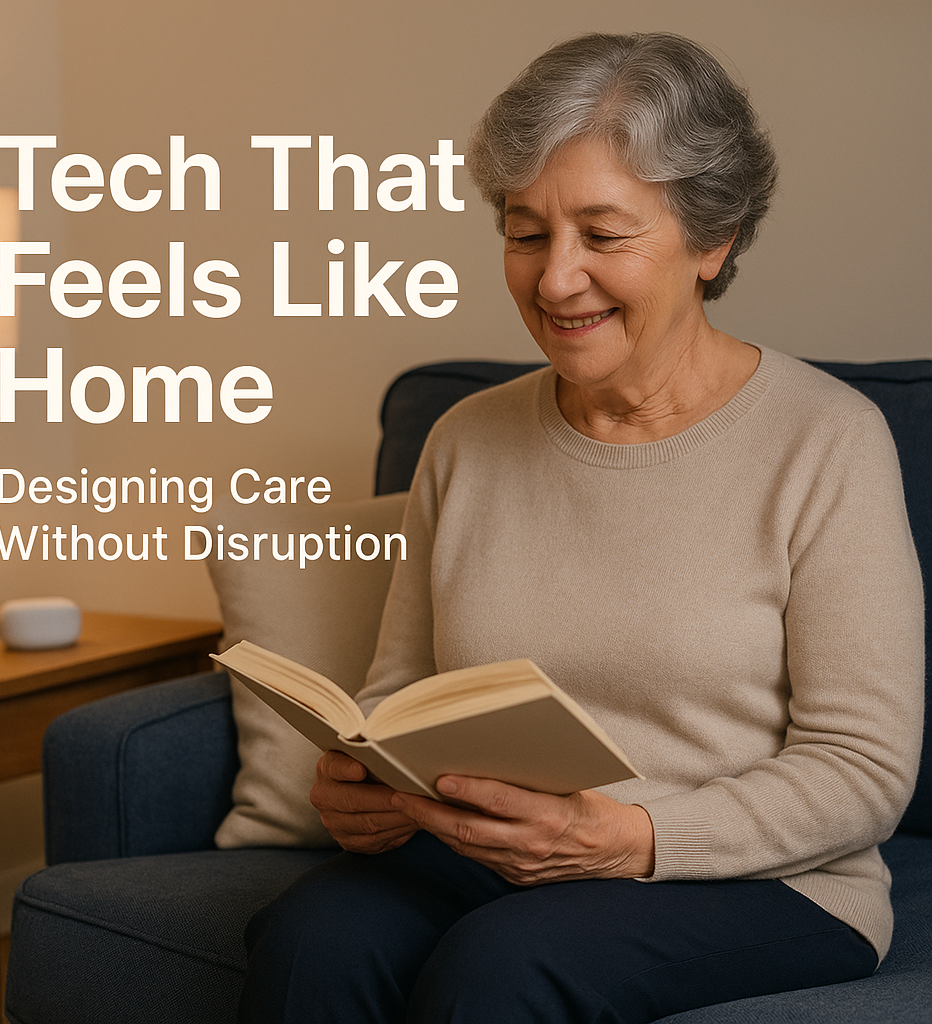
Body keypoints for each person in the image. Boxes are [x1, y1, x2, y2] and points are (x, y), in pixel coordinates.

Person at [237, 32, 924, 1023]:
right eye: (526, 234)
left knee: (506, 966)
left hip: (756, 877)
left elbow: (859, 771)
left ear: (710, 239)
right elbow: (399, 690)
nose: (555, 280)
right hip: (488, 850)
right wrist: (363, 790)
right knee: (312, 940)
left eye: (601, 235)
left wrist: (627, 836)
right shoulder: (465, 438)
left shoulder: (825, 441)